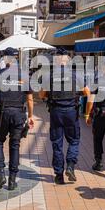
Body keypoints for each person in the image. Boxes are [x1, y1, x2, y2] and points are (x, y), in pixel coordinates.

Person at [0, 47, 35, 192]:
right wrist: (30, 116)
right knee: (15, 145)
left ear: (4, 59)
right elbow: (30, 99)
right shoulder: (24, 75)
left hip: (2, 113)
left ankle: (0, 174)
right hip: (19, 113)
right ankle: (12, 180)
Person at [39, 48, 90, 185]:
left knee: (57, 143)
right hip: (71, 112)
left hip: (56, 112)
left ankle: (59, 175)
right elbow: (87, 92)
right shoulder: (76, 75)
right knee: (74, 140)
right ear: (68, 60)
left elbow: (42, 95)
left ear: (56, 60)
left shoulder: (48, 75)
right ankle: (71, 166)